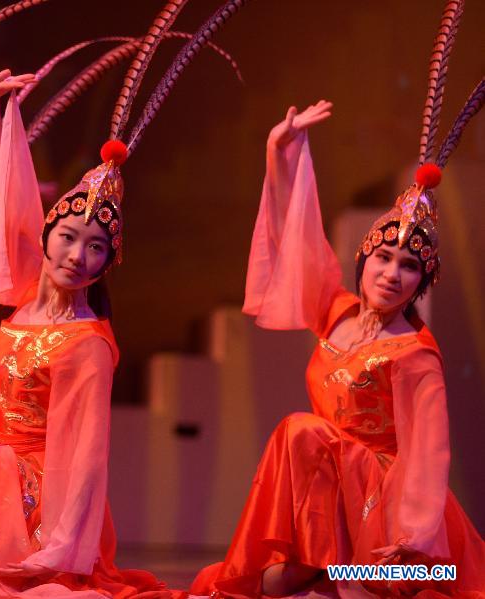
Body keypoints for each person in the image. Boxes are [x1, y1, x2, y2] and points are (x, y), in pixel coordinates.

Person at [191, 101, 485, 598]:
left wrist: (413, 537)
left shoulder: (415, 354)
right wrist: (281, 156)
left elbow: (427, 455)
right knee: (262, 583)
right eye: (384, 258)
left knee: (305, 434)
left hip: (390, 504)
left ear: (422, 281)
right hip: (331, 494)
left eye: (409, 267)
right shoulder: (338, 310)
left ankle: (357, 573)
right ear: (363, 259)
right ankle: (319, 565)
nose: (392, 274)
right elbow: (298, 243)